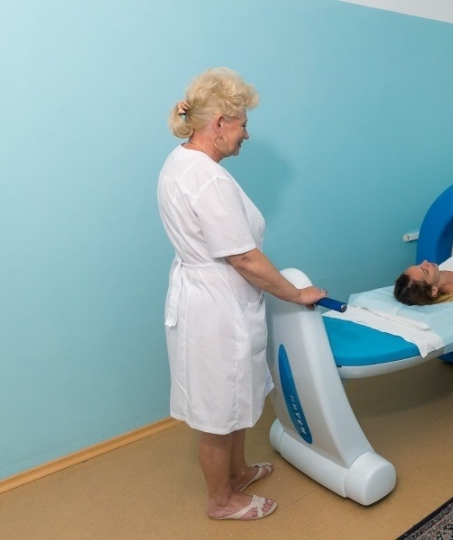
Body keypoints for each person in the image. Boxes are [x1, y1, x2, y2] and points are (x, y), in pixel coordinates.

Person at [157, 67, 326, 521]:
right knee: (218, 412)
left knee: (229, 400)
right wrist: (297, 294)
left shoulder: (180, 161)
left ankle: (237, 472)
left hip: (203, 296)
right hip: (216, 307)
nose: (246, 134)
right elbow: (246, 259)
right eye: (243, 123)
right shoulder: (208, 179)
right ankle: (221, 500)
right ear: (219, 123)